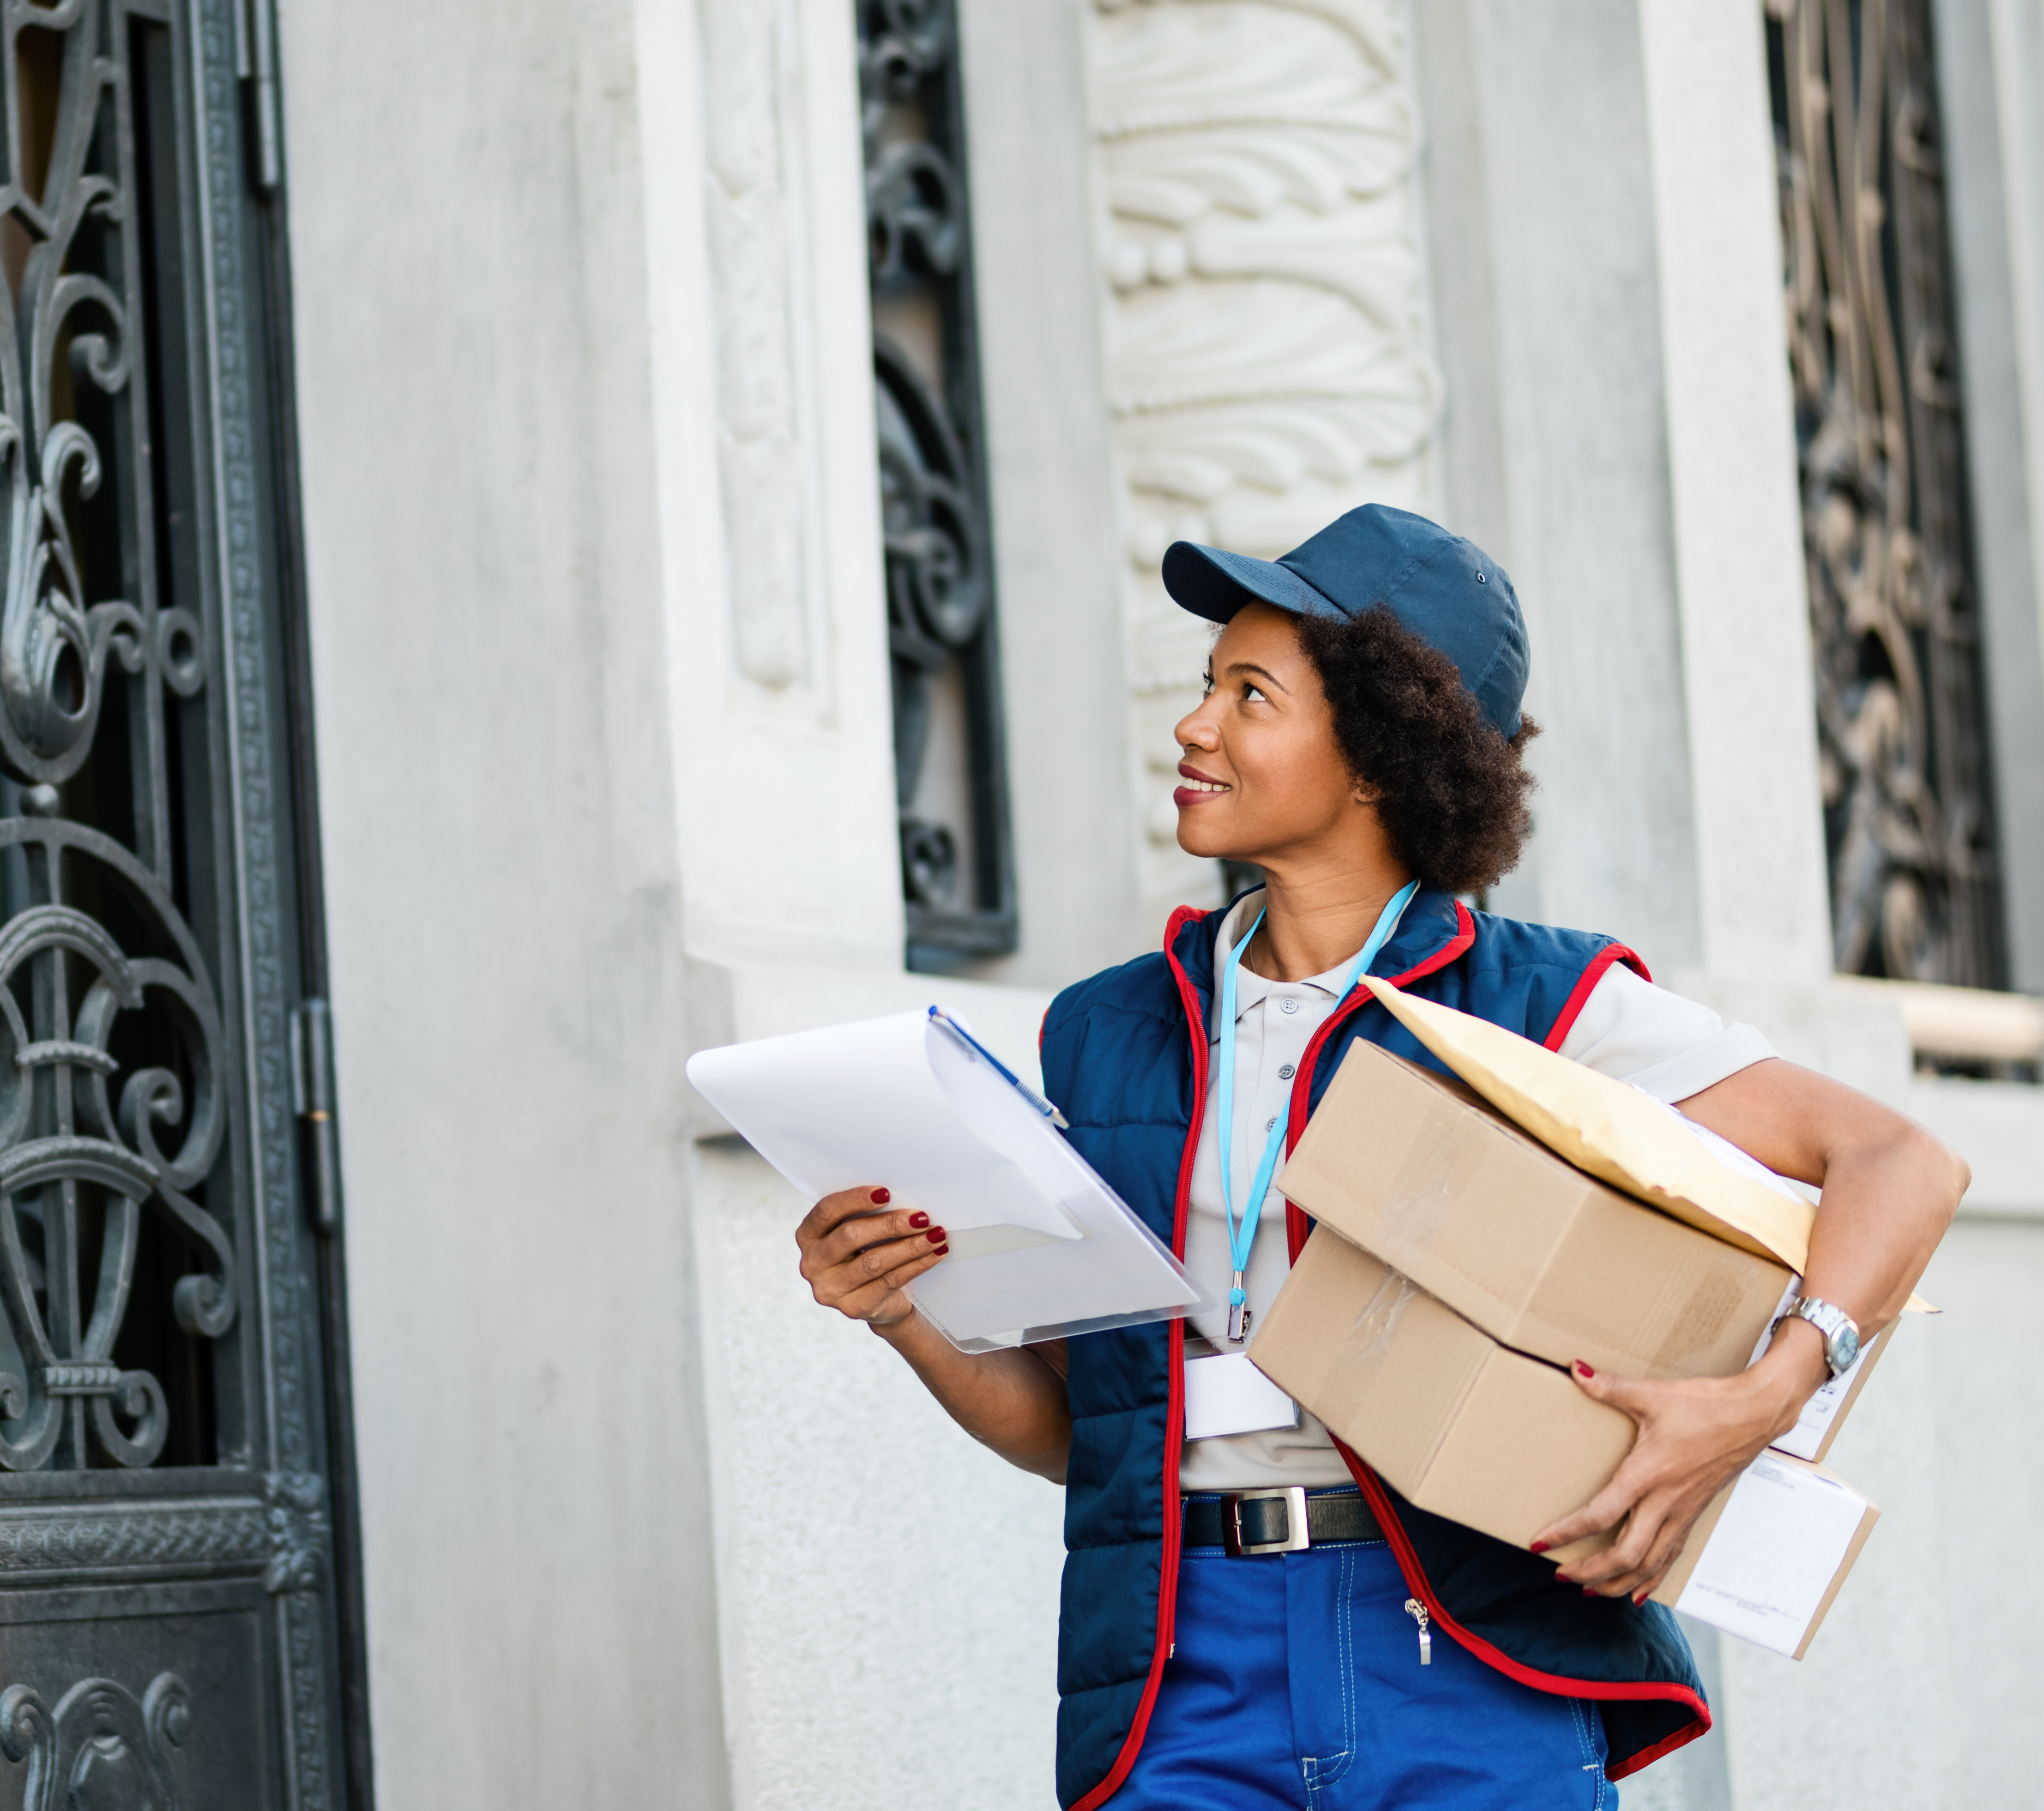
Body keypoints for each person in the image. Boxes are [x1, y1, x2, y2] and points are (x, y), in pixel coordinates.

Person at [791, 505, 1967, 1809]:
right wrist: (907, 1313)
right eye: (1207, 685)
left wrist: (1764, 1395)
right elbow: (1086, 1432)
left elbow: (1898, 1162)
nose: (1193, 727)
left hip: (1469, 1658)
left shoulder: (1545, 1004)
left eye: (1250, 695)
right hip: (1181, 1672)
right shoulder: (1104, 1030)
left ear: (1377, 756)